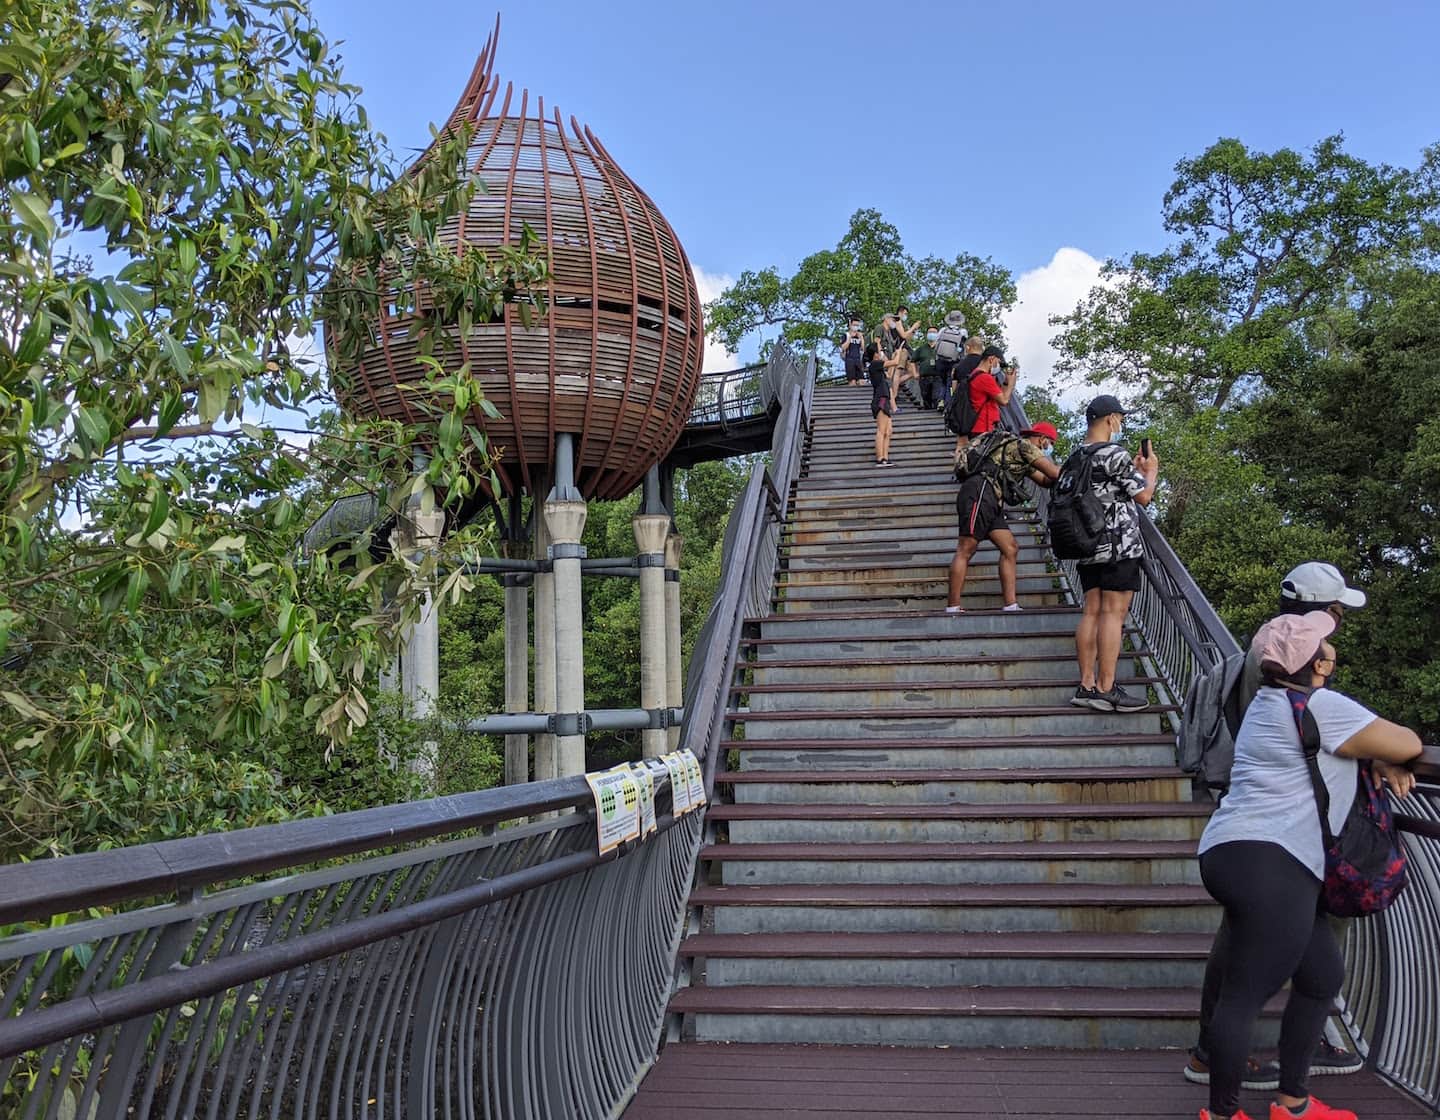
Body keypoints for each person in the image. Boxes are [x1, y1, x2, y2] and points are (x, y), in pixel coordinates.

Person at [1193, 611, 1421, 1120]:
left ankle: (1293, 1103)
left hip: (1237, 850)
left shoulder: (1268, 702)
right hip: (1272, 858)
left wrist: (1370, 757)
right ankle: (1222, 1115)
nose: (1334, 654)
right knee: (1246, 993)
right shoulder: (1322, 704)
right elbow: (1407, 742)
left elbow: (1326, 751)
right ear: (1318, 663)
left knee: (1321, 973)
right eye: (1329, 648)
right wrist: (1387, 755)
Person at [1186, 563, 1370, 1092]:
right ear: (1318, 612)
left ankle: (1211, 1050)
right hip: (1283, 830)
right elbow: (1323, 732)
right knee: (1299, 949)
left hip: (1248, 822)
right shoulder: (1293, 662)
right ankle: (1274, 1058)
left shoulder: (1266, 646)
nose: (1339, 620)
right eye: (1335, 610)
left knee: (1242, 936)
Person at [1068, 394, 1158, 713]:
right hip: (1118, 543)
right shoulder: (1112, 453)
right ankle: (1106, 688)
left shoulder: (1076, 455)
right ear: (1109, 420)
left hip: (1086, 544)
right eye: (1119, 418)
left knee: (1091, 611)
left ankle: (1087, 684)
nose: (1120, 424)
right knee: (1113, 614)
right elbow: (1144, 496)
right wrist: (1150, 471)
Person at [948, 423, 1060, 613]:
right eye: (1049, 443)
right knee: (966, 548)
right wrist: (1078, 467)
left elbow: (1045, 480)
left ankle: (1010, 604)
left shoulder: (1021, 455)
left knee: (1010, 548)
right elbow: (1053, 473)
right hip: (980, 492)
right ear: (1041, 439)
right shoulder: (1025, 447)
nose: (1048, 447)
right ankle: (952, 607)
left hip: (993, 500)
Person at [866, 342, 903, 465]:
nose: (882, 352)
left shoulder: (878, 368)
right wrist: (898, 353)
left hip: (885, 398)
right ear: (875, 354)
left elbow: (889, 374)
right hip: (880, 398)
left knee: (889, 430)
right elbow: (896, 362)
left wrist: (894, 356)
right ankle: (880, 458)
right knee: (882, 430)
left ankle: (885, 458)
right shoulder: (875, 364)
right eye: (880, 350)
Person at [912, 328, 941, 410]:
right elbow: (912, 361)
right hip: (924, 377)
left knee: (936, 397)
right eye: (930, 332)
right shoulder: (921, 349)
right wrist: (914, 373)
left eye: (934, 332)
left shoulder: (940, 347)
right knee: (926, 398)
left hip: (937, 377)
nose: (932, 334)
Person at [840, 317, 866, 385]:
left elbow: (863, 349)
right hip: (849, 359)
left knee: (862, 380)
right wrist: (849, 338)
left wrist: (861, 338)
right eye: (854, 325)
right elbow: (843, 347)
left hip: (858, 359)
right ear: (850, 325)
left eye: (857, 325)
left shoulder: (859, 335)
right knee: (852, 381)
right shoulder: (846, 335)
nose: (856, 327)